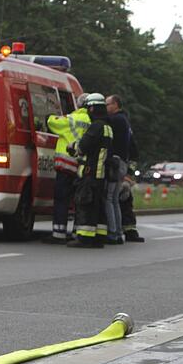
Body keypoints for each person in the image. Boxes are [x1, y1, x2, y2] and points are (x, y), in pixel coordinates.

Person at [42, 95, 94, 243]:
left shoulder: (72, 118)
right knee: (79, 201)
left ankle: (59, 233)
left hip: (66, 165)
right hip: (82, 167)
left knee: (61, 199)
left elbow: (52, 122)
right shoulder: (92, 122)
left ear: (79, 105)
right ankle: (77, 232)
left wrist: (50, 114)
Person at [68, 93, 113, 248]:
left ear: (92, 108)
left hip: (90, 172)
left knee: (86, 203)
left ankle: (85, 237)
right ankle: (99, 237)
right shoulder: (107, 127)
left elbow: (83, 147)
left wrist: (72, 146)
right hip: (101, 173)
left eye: (88, 108)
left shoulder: (96, 126)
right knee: (98, 206)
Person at [106, 94, 144, 242]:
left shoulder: (116, 120)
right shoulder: (125, 121)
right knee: (118, 199)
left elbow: (133, 151)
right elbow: (134, 150)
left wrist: (129, 175)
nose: (105, 107)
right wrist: (129, 173)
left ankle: (116, 232)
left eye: (107, 104)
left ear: (115, 104)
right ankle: (125, 231)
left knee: (111, 199)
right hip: (123, 165)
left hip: (117, 165)